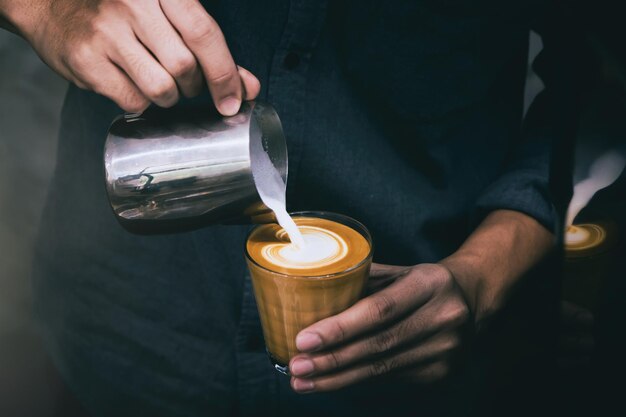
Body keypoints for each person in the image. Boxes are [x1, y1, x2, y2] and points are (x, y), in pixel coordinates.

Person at [0, 1, 581, 416]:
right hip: (120, 334)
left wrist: (484, 275)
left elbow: (596, 83)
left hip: (405, 371)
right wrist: (43, 7)